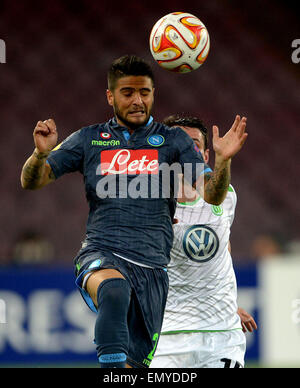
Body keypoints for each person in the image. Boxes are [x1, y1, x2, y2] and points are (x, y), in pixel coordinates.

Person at [20, 55, 248, 368]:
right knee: (114, 291)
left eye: (144, 92)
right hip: (128, 278)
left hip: (189, 309)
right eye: (128, 92)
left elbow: (219, 224)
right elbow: (33, 180)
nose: (137, 100)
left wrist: (229, 303)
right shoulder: (96, 144)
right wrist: (38, 155)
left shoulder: (203, 174)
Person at [151, 115, 256, 369]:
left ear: (206, 155)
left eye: (195, 144)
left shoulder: (227, 197)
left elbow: (223, 248)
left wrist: (230, 304)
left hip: (222, 334)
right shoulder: (148, 202)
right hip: (167, 335)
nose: (187, 149)